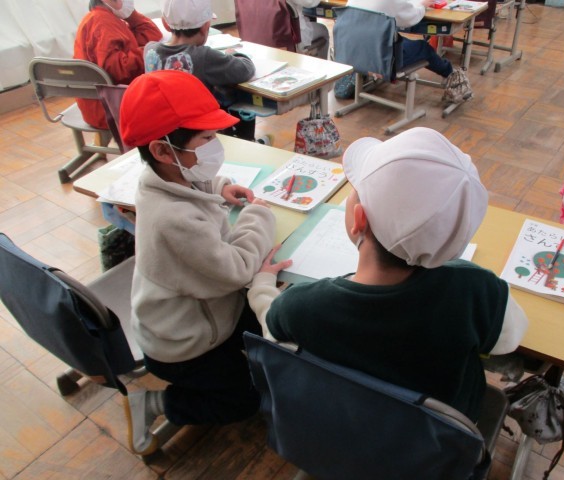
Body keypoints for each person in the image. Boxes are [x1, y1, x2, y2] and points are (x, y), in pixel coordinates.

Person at [248, 127, 528, 422]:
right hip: (436, 441)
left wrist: (263, 285)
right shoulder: (476, 290)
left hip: (342, 428)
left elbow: (272, 328)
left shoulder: (301, 306)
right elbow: (509, 339)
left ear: (359, 220)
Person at [118, 69, 277, 455]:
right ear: (162, 150)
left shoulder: (161, 177)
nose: (214, 146)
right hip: (184, 345)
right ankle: (156, 403)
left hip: (206, 313)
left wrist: (219, 186)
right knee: (243, 401)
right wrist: (259, 215)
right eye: (206, 139)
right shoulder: (172, 219)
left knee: (272, 322)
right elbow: (239, 268)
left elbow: (189, 185)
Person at [144, 0, 265, 143]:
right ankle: (247, 141)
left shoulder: (150, 51)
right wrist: (233, 55)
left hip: (167, 131)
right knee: (232, 93)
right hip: (202, 132)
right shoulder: (203, 56)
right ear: (205, 27)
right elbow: (244, 70)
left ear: (165, 24)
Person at [346, 0, 474, 104]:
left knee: (400, 39)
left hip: (352, 53)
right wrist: (423, 5)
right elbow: (410, 18)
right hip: (382, 57)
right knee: (423, 48)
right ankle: (451, 75)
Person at [73, 0, 162, 129]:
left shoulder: (102, 18)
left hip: (100, 106)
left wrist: (131, 15)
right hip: (112, 110)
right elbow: (118, 69)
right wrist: (150, 51)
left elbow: (152, 35)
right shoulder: (103, 22)